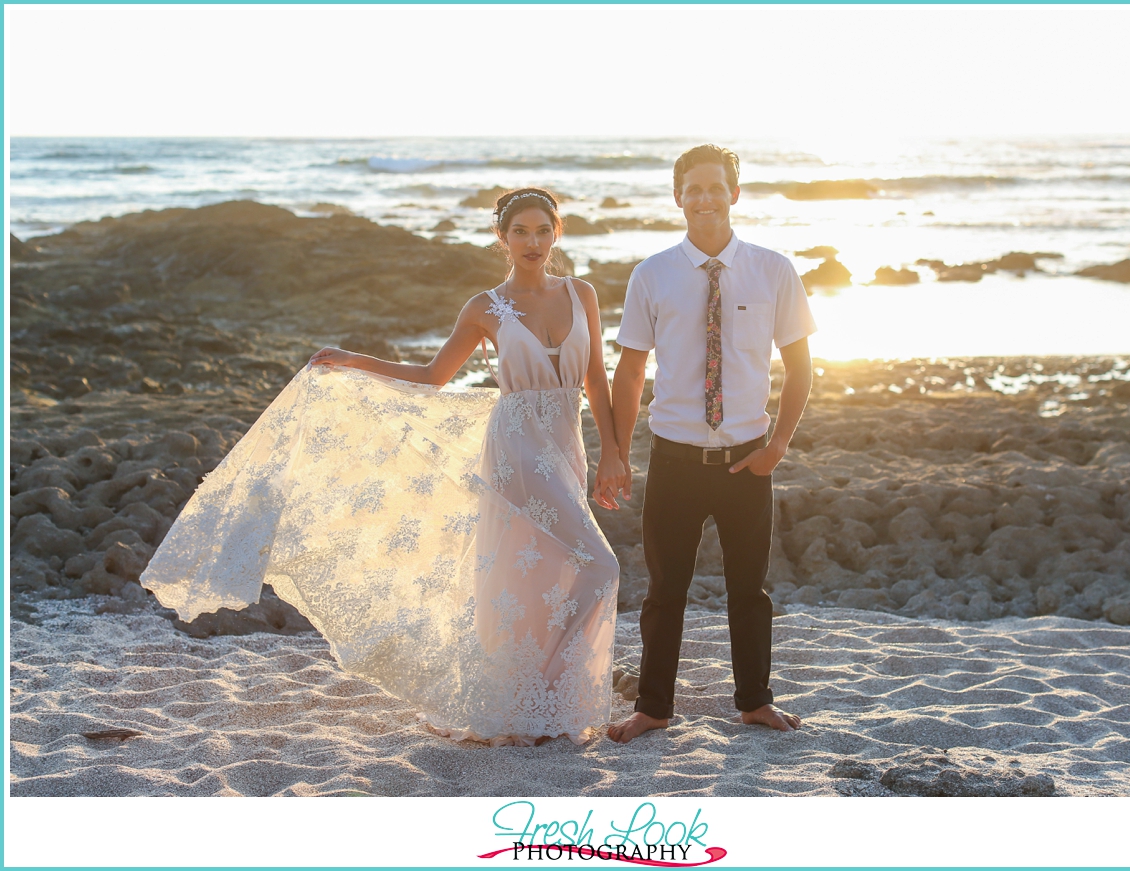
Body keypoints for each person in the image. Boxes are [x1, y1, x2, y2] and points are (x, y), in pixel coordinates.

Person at [142, 187, 626, 746]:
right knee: (599, 566)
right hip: (516, 450)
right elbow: (432, 376)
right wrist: (353, 361)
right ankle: (544, 697)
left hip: (567, 445)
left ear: (557, 232)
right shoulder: (484, 307)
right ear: (502, 238)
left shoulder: (581, 293)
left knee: (540, 573)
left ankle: (531, 707)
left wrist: (613, 451)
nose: (533, 242)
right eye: (521, 232)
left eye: (543, 230)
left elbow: (597, 379)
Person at [607, 145, 817, 743]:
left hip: (747, 461)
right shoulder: (652, 274)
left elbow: (801, 366)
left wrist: (778, 444)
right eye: (693, 188)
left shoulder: (773, 270)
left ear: (734, 194)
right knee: (663, 592)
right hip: (674, 458)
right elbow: (629, 372)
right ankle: (653, 708)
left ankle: (755, 701)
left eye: (715, 187)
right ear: (678, 197)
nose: (705, 198)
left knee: (748, 590)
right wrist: (618, 451)